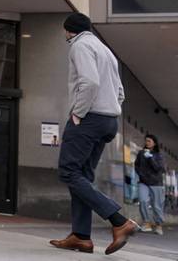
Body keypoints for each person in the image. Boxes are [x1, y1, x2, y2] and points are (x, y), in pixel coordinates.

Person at [50, 13, 138, 255]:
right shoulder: (105, 49)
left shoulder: (79, 45)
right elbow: (120, 92)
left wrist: (78, 113)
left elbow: (89, 82)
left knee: (68, 172)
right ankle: (80, 236)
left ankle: (119, 221)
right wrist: (111, 110)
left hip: (89, 118)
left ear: (69, 31)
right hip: (108, 120)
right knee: (82, 178)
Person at [135, 134, 166, 235]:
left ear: (154, 143)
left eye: (149, 141)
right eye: (146, 141)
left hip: (156, 183)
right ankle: (146, 223)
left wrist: (151, 158)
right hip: (143, 182)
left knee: (156, 205)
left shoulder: (159, 155)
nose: (147, 143)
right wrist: (140, 174)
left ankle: (158, 225)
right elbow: (137, 165)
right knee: (142, 200)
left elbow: (159, 169)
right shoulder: (141, 153)